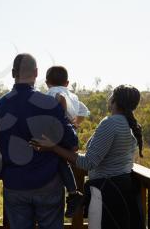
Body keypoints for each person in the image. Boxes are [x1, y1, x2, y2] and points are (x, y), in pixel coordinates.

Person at [30, 85, 145, 229]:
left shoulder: (110, 123)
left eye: (111, 94)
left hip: (107, 192)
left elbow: (87, 163)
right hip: (123, 190)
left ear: (115, 100)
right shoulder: (129, 124)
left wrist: (53, 147)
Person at [0, 53, 78, 229]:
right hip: (47, 181)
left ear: (13, 73)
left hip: (14, 183)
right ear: (37, 72)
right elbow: (72, 143)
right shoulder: (49, 103)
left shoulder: (1, 105)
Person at [45, 66, 90, 217]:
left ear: (47, 82)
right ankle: (72, 192)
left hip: (61, 130)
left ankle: (73, 192)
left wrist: (63, 117)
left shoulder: (52, 92)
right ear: (67, 82)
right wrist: (75, 123)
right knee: (62, 160)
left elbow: (59, 98)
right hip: (70, 131)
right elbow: (84, 111)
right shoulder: (73, 95)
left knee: (57, 157)